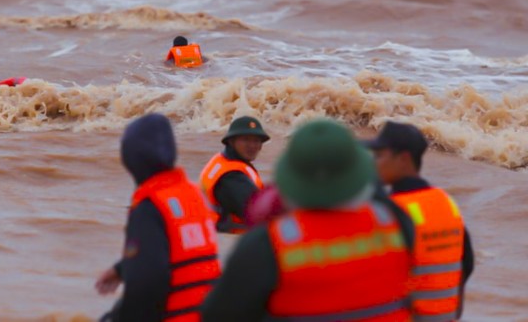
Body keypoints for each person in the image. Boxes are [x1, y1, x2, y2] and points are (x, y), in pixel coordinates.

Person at [202, 118, 415, 322]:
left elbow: (217, 315)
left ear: (290, 175)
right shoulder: (396, 221)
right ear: (359, 171)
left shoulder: (267, 242)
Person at [96, 113, 221, 322]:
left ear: (130, 159)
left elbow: (148, 282)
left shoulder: (149, 207)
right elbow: (179, 252)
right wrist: (123, 268)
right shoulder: (192, 194)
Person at [366, 121, 474, 322]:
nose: (374, 163)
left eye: (380, 156)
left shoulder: (392, 211)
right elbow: (466, 262)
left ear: (404, 159)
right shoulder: (445, 202)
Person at [199, 116, 268, 233]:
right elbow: (258, 215)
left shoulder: (223, 161)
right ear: (231, 142)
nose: (252, 146)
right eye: (246, 140)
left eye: (256, 141)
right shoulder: (231, 176)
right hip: (232, 239)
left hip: (214, 234)